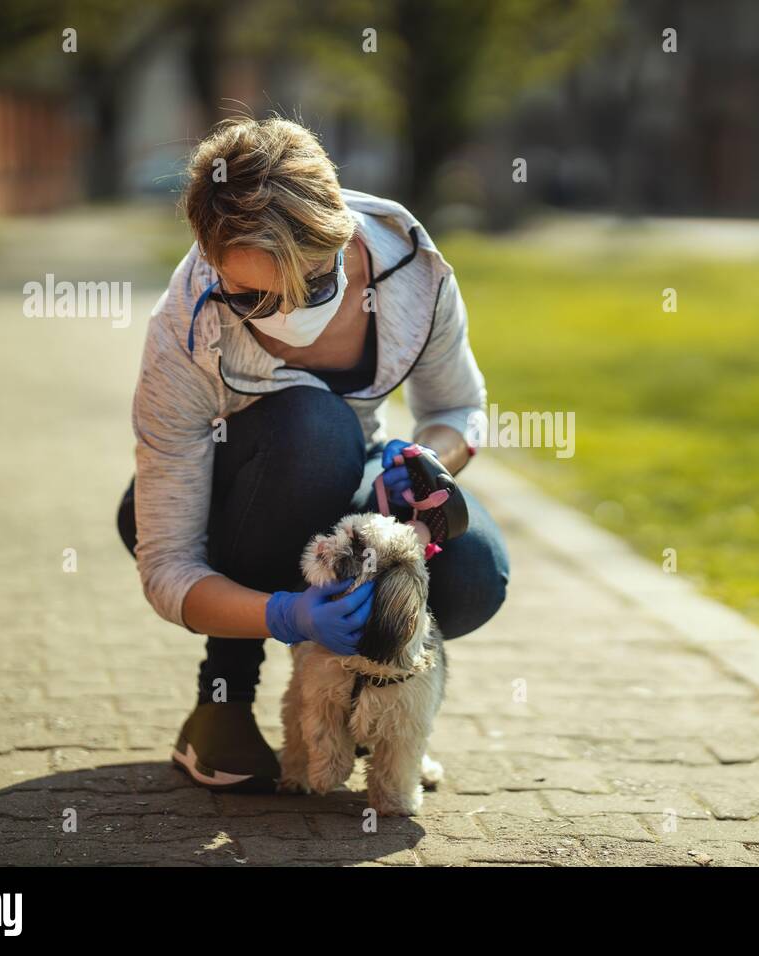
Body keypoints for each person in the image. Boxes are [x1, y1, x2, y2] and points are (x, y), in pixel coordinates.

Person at [116, 116, 509, 792]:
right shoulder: (184, 330)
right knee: (316, 429)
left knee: (473, 574)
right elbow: (168, 565)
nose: (288, 309)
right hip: (225, 501)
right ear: (211, 260)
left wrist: (425, 462)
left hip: (347, 475)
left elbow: (459, 409)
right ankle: (222, 700)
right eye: (254, 296)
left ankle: (368, 708)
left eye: (316, 281)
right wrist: (284, 614)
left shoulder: (411, 267)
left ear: (343, 231)